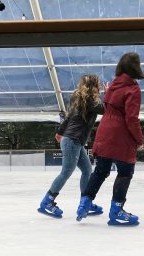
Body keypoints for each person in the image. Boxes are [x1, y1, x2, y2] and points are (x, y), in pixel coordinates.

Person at [76, 52, 144, 226]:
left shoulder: (113, 85)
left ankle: (84, 203)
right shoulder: (133, 88)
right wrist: (139, 139)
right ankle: (116, 211)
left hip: (104, 131)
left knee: (100, 171)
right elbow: (131, 118)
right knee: (125, 172)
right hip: (121, 134)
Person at [38, 75, 105, 218]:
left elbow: (68, 117)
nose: (100, 86)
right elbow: (105, 109)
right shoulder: (90, 99)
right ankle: (47, 201)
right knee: (66, 172)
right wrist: (110, 93)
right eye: (98, 84)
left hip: (74, 140)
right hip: (73, 140)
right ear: (94, 85)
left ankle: (85, 202)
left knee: (87, 170)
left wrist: (60, 131)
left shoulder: (78, 97)